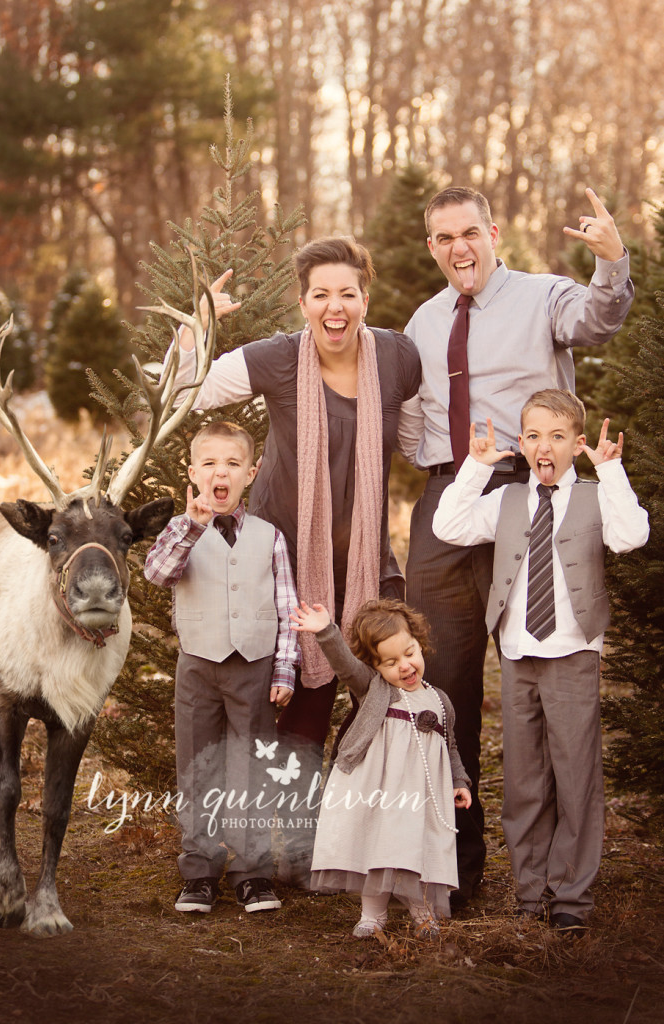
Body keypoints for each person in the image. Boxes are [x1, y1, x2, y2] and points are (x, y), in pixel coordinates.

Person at [397, 185, 634, 909]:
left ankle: (559, 881)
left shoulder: (541, 296)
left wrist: (611, 260)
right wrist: (433, 472)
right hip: (451, 497)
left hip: (531, 494)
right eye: (442, 238)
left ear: (492, 231)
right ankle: (454, 871)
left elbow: (597, 321)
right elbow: (411, 416)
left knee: (544, 682)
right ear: (431, 247)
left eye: (469, 232)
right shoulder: (423, 320)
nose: (458, 248)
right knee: (440, 681)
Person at [171, 237, 422, 886]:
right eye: (320, 295)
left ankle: (357, 843)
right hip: (281, 564)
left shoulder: (394, 358)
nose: (334, 307)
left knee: (368, 700)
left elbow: (422, 438)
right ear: (302, 302)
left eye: (347, 293)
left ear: (365, 298)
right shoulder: (279, 359)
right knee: (291, 707)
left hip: (364, 562)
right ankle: (279, 852)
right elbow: (187, 389)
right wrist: (200, 326)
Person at [432, 389, 649, 935]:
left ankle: (571, 892)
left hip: (573, 651)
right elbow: (447, 528)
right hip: (518, 653)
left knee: (575, 774)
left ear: (577, 443)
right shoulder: (506, 502)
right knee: (525, 778)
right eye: (533, 435)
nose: (544, 446)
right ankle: (531, 891)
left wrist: (613, 472)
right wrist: (475, 468)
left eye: (557, 436)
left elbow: (631, 537)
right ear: (522, 444)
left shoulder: (595, 497)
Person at [144, 420, 300, 915]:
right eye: (210, 463)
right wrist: (191, 527)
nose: (221, 473)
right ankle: (200, 871)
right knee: (198, 767)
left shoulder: (269, 536)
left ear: (250, 473)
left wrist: (284, 671)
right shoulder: (181, 529)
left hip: (253, 668)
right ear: (193, 472)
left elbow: (286, 607)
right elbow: (158, 574)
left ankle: (252, 873)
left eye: (232, 464)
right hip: (198, 666)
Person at [290, 598, 471, 938]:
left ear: (420, 644)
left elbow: (451, 747)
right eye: (390, 662)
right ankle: (373, 914)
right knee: (377, 847)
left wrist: (459, 781)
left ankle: (423, 912)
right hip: (380, 790)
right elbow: (345, 666)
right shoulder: (375, 690)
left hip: (422, 795)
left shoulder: (439, 700)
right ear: (375, 666)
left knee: (420, 848)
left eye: (409, 653)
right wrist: (327, 632)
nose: (404, 665)